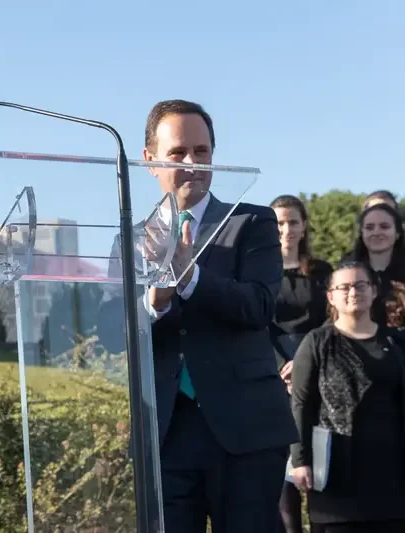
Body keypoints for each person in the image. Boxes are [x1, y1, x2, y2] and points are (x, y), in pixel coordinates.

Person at [98, 99, 298, 533]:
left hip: (246, 430)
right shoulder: (130, 239)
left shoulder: (251, 222)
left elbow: (260, 306)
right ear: (149, 160)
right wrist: (156, 301)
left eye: (202, 152)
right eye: (178, 153)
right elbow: (112, 334)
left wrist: (191, 278)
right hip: (167, 432)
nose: (193, 163)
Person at [289, 261, 405, 532]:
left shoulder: (396, 343)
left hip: (392, 478)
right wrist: (300, 461)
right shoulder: (316, 343)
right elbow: (301, 405)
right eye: (344, 287)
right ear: (330, 296)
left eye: (360, 285)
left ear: (374, 291)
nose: (353, 292)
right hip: (337, 480)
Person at [268, 195, 333, 533]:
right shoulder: (259, 269)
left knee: (320, 478)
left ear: (304, 225)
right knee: (285, 490)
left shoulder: (322, 272)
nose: (287, 229)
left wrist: (304, 362)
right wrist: (283, 366)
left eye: (293, 221)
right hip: (274, 379)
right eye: (279, 222)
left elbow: (331, 320)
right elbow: (257, 324)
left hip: (318, 377)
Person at [345, 203, 405, 327]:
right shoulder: (347, 275)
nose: (376, 232)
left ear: (397, 233)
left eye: (384, 226)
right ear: (361, 234)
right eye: (369, 227)